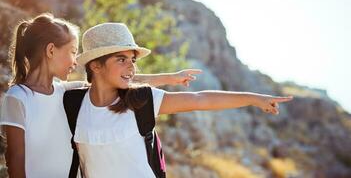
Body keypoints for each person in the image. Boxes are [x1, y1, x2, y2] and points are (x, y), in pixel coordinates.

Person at [71, 22, 293, 178]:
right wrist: (167, 77)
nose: (132, 66)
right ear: (95, 65)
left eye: (133, 59)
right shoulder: (71, 100)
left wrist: (254, 99)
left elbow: (200, 100)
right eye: (121, 59)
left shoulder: (142, 99)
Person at [0, 13, 201, 178]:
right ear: (51, 50)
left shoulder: (64, 91)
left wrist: (171, 77)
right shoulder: (18, 97)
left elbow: (116, 79)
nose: (75, 61)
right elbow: (14, 157)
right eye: (72, 52)